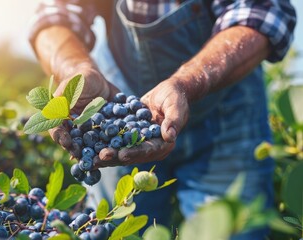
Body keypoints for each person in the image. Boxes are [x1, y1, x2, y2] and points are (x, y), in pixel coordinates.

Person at [28, 0, 296, 239]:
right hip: (117, 95)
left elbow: (263, 13)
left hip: (228, 112)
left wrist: (186, 84)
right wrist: (76, 72)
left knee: (234, 230)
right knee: (120, 230)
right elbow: (56, 14)